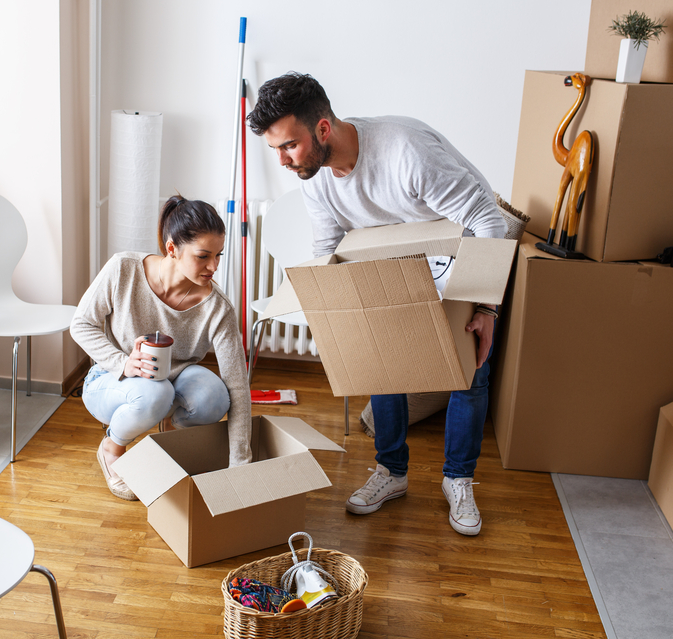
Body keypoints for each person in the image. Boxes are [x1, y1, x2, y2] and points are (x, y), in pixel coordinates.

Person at [247, 73, 505, 536]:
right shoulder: (316, 178)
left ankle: (459, 479)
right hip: (395, 264)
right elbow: (329, 248)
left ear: (323, 129)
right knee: (382, 363)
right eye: (276, 151)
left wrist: (486, 308)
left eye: (289, 146)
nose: (283, 161)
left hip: (461, 256)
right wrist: (340, 321)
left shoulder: (407, 154)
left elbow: (488, 222)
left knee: (470, 372)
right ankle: (393, 473)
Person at [70, 195, 253, 500]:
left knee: (214, 396)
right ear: (172, 249)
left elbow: (237, 387)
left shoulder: (217, 307)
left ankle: (168, 438)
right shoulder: (123, 269)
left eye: (219, 255)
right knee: (156, 392)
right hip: (110, 381)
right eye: (203, 256)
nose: (214, 266)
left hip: (173, 382)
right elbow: (80, 324)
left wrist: (240, 465)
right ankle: (111, 448)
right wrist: (121, 362)